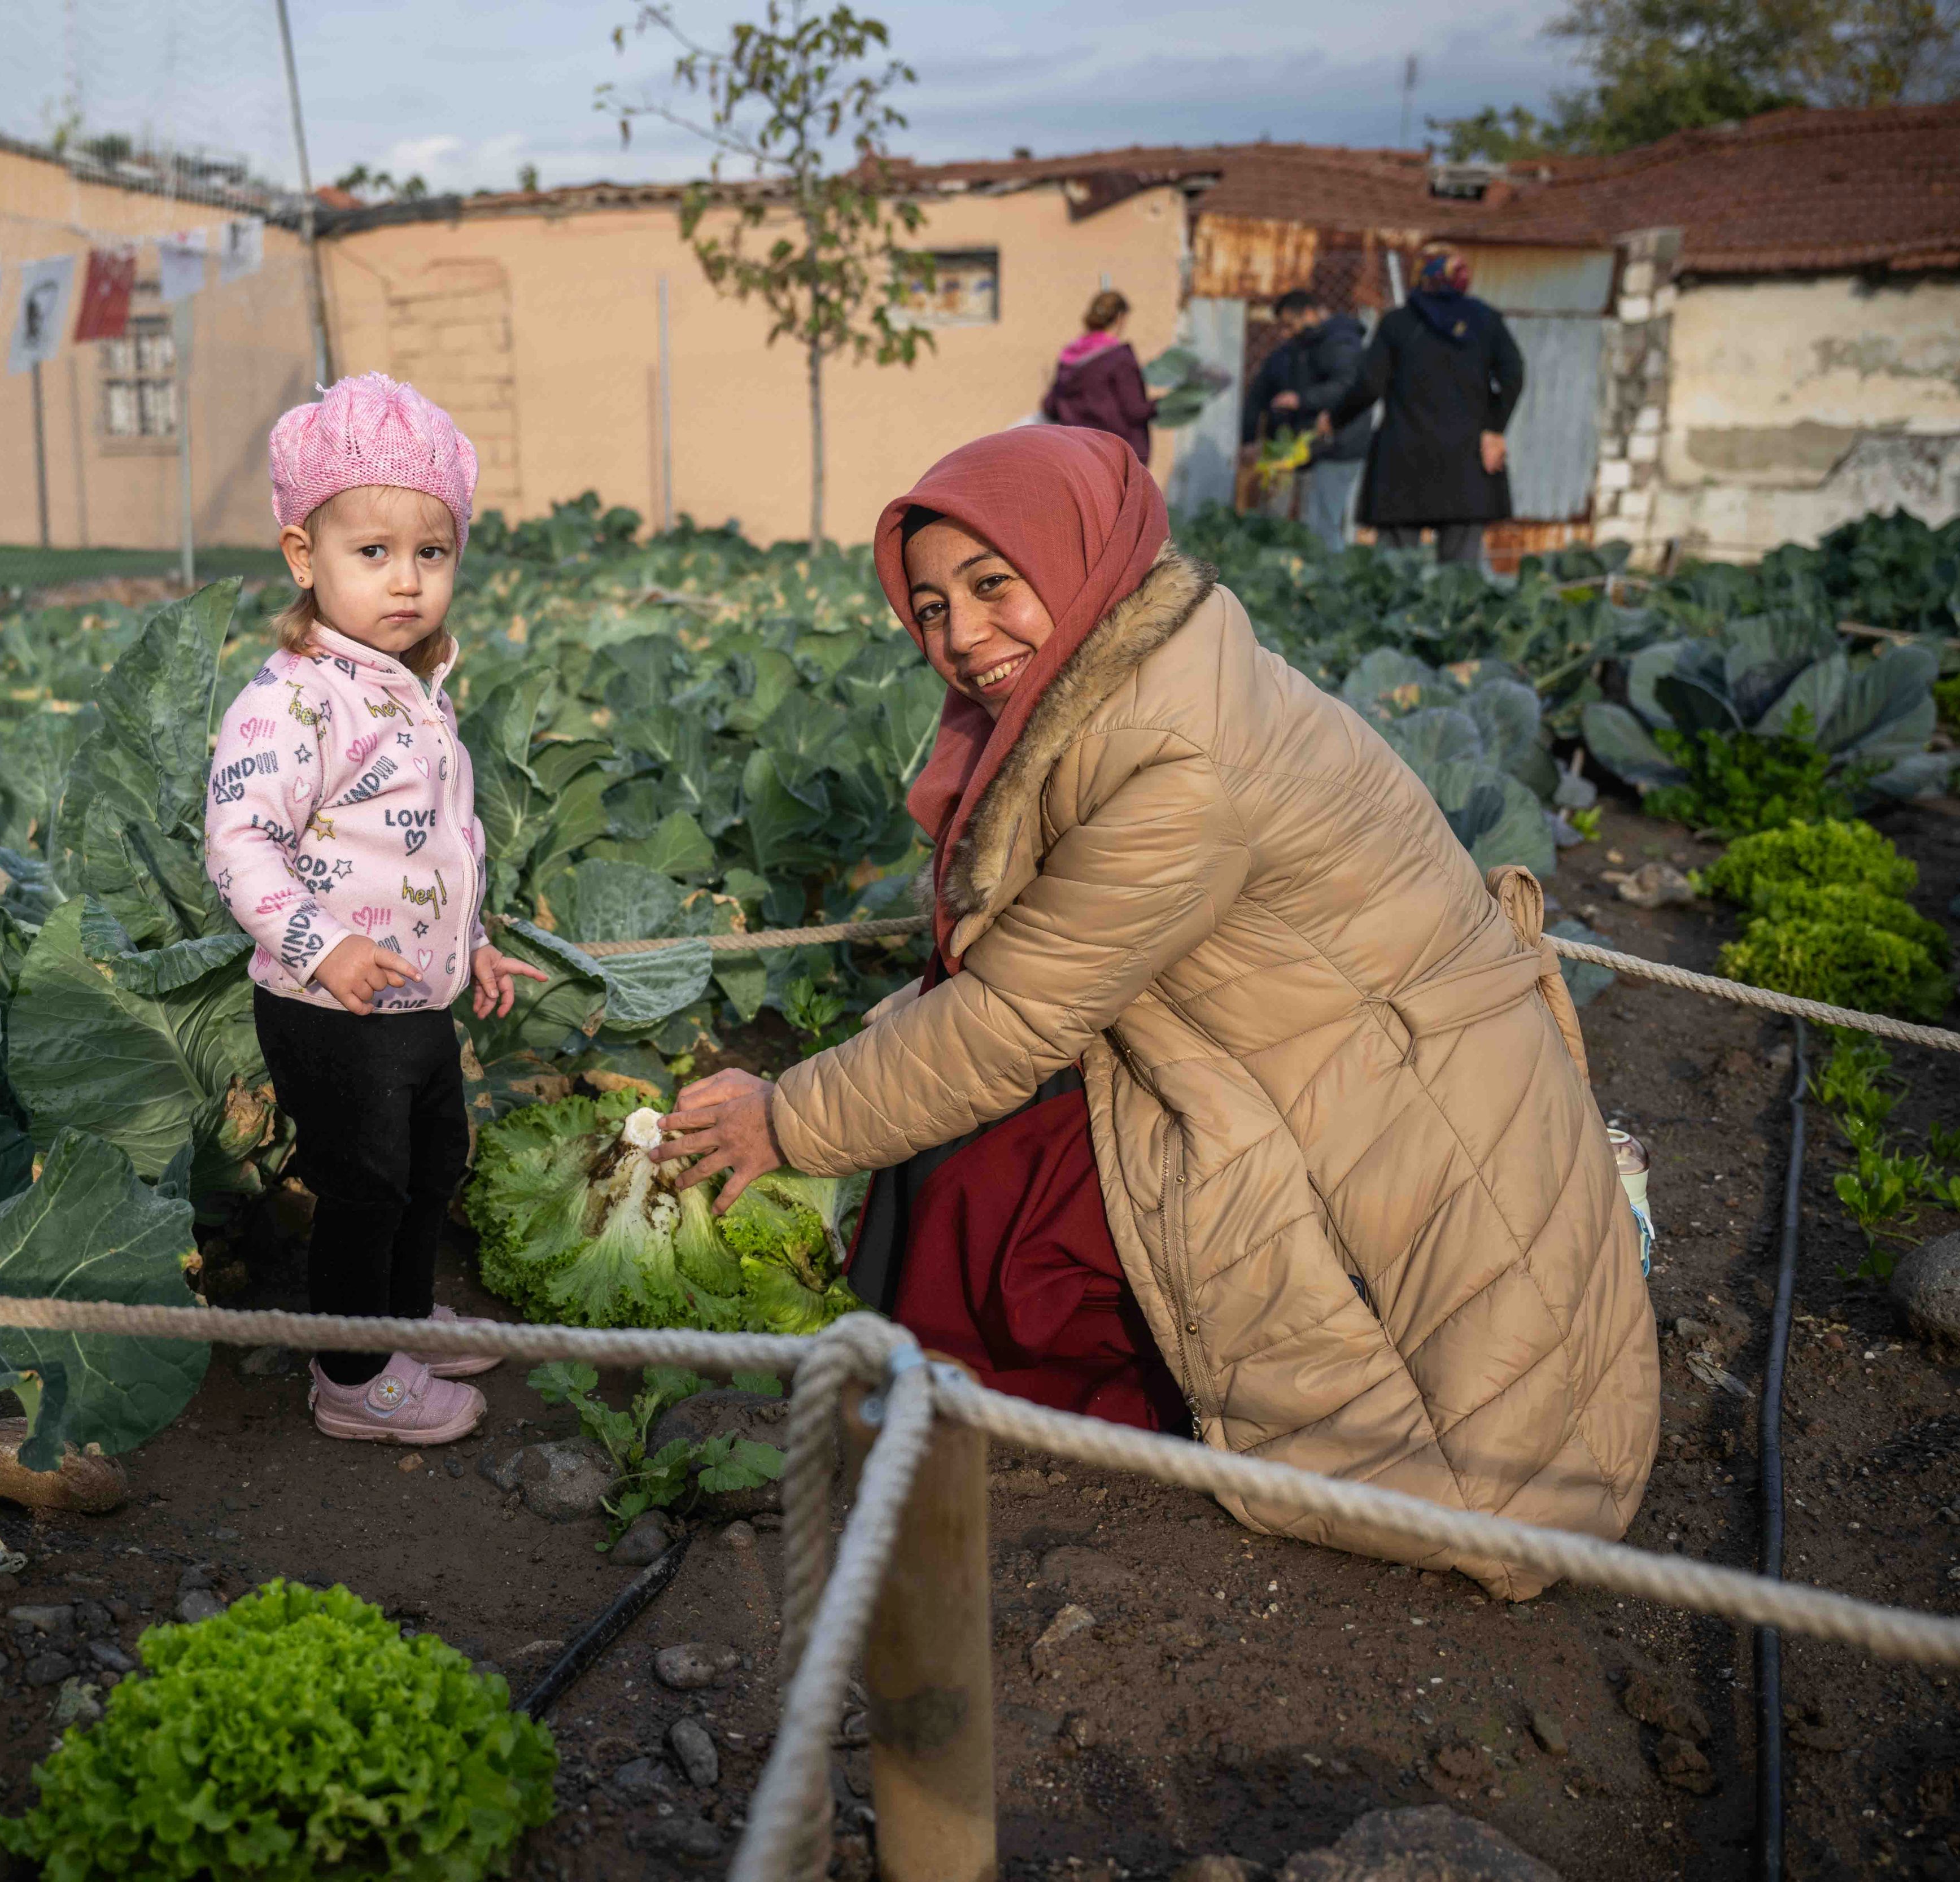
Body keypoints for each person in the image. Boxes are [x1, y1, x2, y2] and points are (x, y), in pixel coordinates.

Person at [652, 426, 1656, 1598]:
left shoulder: (1177, 759)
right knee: (960, 1160)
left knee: (995, 1206)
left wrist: (786, 1117)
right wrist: (860, 1069)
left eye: (992, 585)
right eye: (928, 608)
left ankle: (1072, 1392)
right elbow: (1029, 973)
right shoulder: (1147, 669)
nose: (961, 637)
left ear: (1081, 558)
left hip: (1389, 1129)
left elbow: (1010, 1019)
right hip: (1351, 1060)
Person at [203, 373, 547, 1446]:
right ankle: (351, 1375)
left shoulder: (408, 683)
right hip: (327, 1003)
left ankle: (397, 1319)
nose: (405, 581)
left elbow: (443, 845)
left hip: (411, 999)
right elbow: (238, 842)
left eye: (429, 554)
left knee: (428, 1168)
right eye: (371, 553)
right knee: (361, 1187)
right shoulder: (294, 696)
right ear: (304, 556)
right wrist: (326, 944)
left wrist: (475, 943)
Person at [1326, 248, 1525, 565]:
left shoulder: (1397, 324)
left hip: (1403, 462)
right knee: (1459, 581)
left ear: (1423, 278)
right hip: (1467, 461)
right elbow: (1513, 375)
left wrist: (1334, 420)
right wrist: (1494, 429)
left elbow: (1369, 386)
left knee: (1395, 576)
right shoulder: (1486, 321)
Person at [1239, 289, 1372, 554]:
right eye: (1282, 327)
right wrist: (1249, 439)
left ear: (1310, 314)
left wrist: (1301, 399)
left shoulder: (1341, 343)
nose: (1285, 334)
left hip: (1337, 446)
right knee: (1279, 518)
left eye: (1290, 325)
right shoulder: (1289, 352)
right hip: (1300, 447)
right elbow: (1257, 394)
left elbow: (1347, 387)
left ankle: (1326, 582)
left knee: (1322, 524)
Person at [1038, 289, 1156, 467]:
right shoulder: (1119, 359)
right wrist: (1167, 404)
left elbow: (1051, 406)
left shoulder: (1070, 356)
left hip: (1076, 456)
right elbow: (1135, 410)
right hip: (1116, 459)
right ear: (1120, 318)